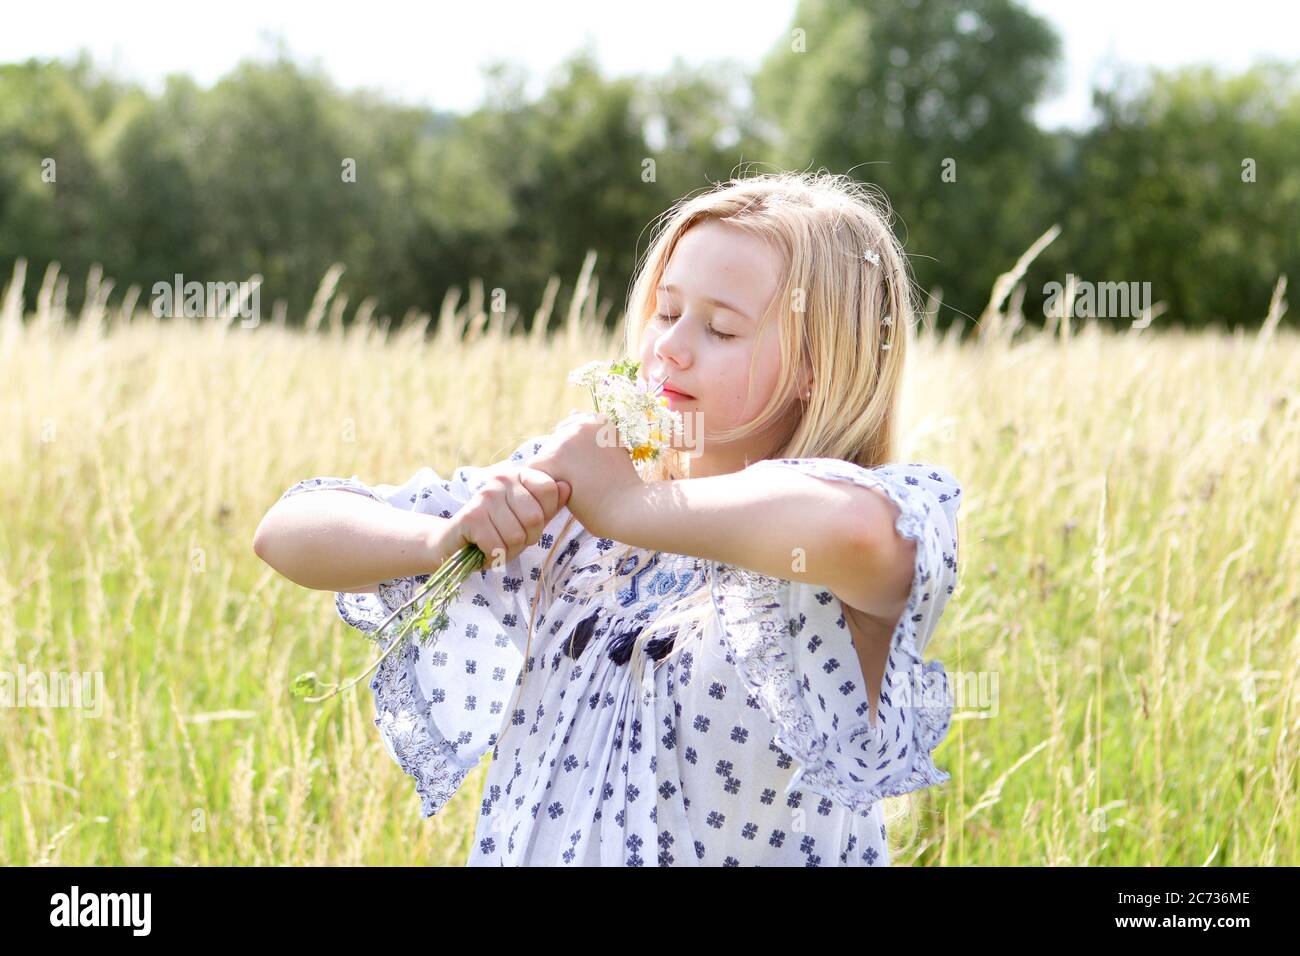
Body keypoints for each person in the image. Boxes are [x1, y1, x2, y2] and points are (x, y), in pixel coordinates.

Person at [254, 170, 962, 866]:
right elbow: (288, 531)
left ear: (818, 367)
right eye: (666, 310)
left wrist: (634, 507)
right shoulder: (574, 509)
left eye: (721, 328)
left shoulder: (824, 564)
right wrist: (439, 538)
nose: (670, 348)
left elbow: (862, 529)